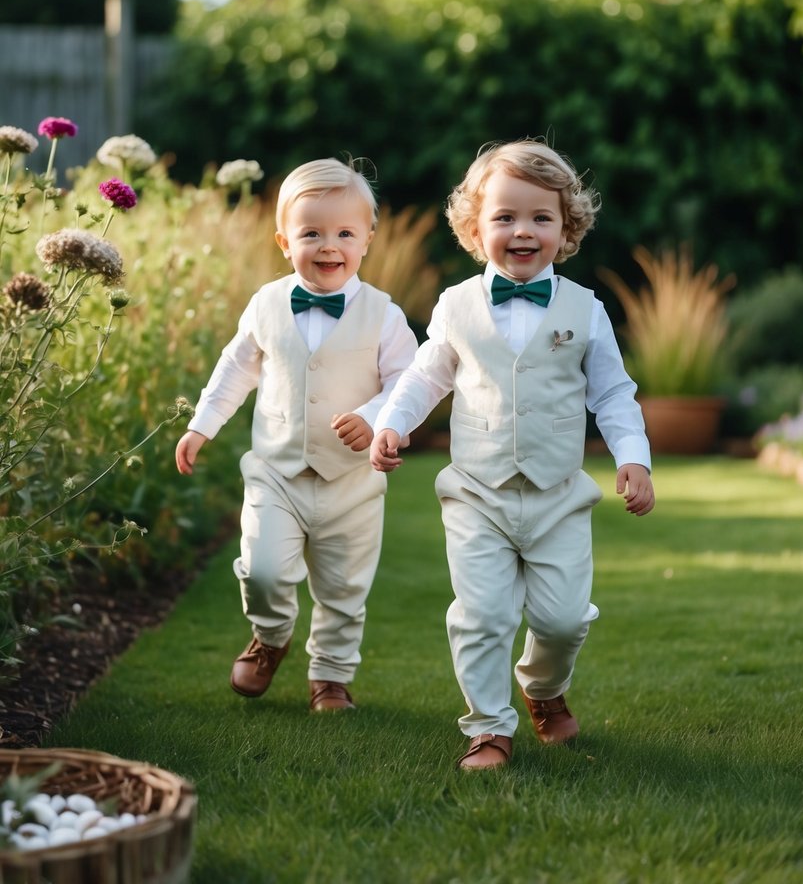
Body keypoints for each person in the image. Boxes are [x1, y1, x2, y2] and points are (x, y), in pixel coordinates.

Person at [370, 139, 654, 769]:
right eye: (504, 217)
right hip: (477, 493)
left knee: (561, 620)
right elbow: (423, 378)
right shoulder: (455, 306)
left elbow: (612, 391)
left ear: (566, 228)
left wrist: (633, 457)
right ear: (475, 228)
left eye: (540, 218)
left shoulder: (587, 309)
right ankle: (488, 728)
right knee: (482, 614)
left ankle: (543, 686)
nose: (522, 231)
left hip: (558, 495)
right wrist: (393, 424)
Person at [176, 158, 417, 712]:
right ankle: (270, 635)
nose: (328, 245)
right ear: (285, 241)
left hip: (351, 482)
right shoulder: (266, 304)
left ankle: (330, 676)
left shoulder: (384, 315)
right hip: (276, 472)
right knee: (262, 569)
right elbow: (235, 369)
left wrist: (379, 416)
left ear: (367, 241)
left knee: (343, 589)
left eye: (344, 233)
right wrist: (201, 425)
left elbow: (412, 382)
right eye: (311, 233)